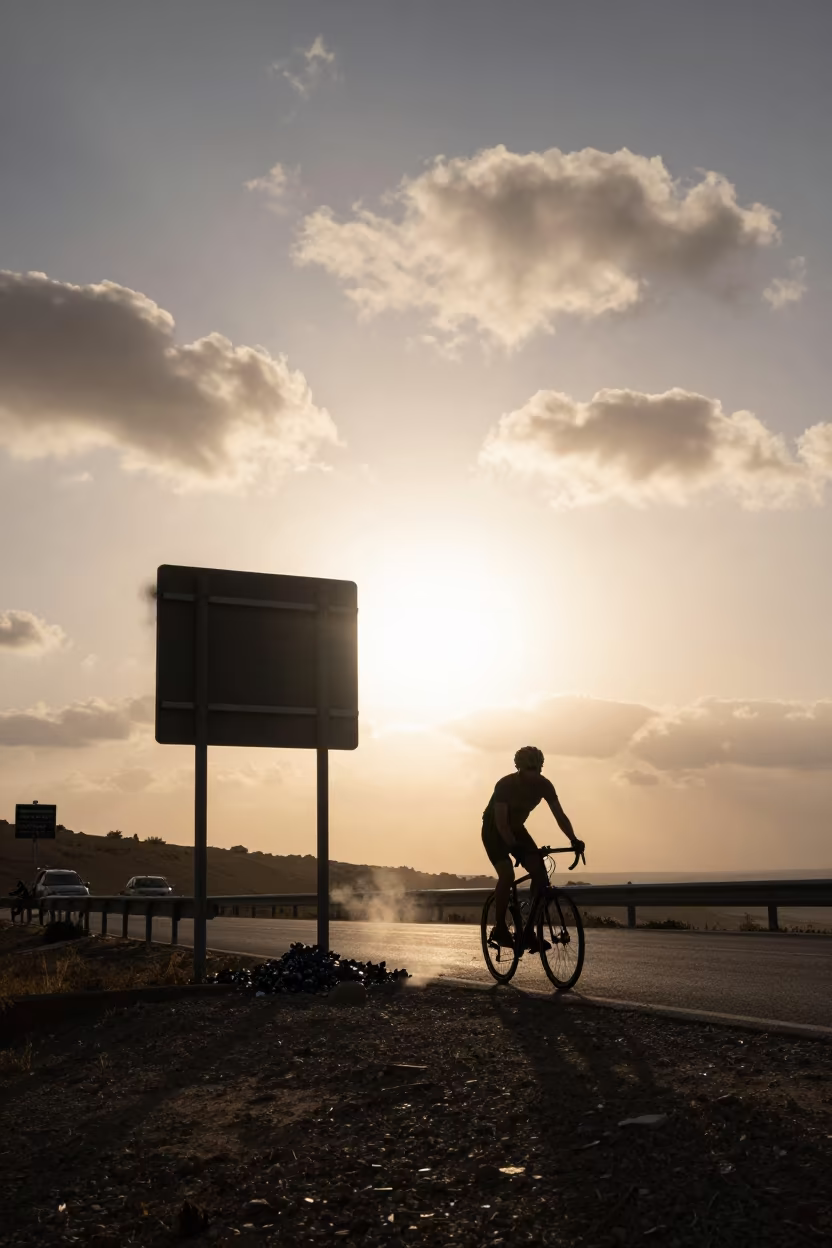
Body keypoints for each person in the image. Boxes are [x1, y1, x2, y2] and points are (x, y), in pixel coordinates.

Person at [481, 746, 584, 952]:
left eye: (537, 770)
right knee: (507, 874)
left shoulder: (545, 785)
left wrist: (574, 839)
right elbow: (501, 824)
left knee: (540, 874)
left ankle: (528, 931)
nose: (534, 774)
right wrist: (513, 846)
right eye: (530, 769)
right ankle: (500, 928)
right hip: (494, 830)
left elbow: (560, 816)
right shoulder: (505, 785)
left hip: (518, 829)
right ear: (519, 768)